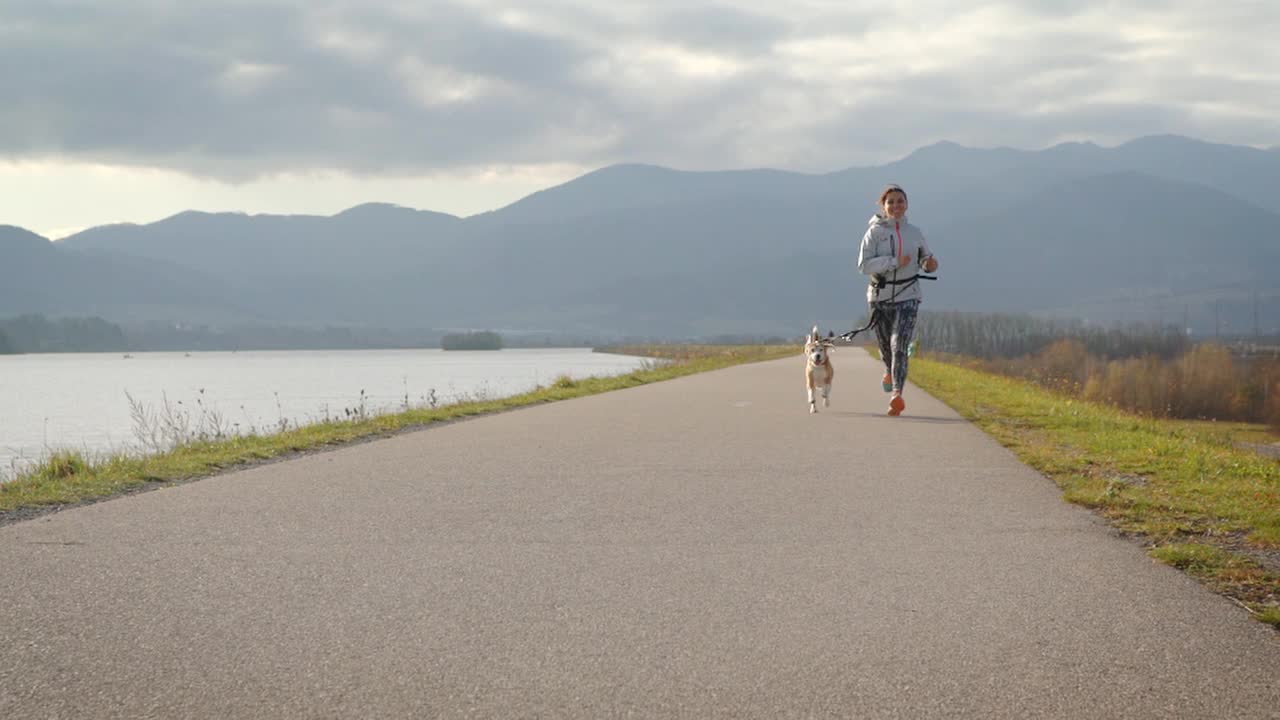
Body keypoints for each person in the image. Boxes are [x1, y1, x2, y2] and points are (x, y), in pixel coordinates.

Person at [857, 184, 938, 416]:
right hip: (880, 296)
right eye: (890, 202)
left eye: (900, 201)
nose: (895, 206)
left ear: (907, 204)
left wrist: (929, 265)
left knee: (899, 345)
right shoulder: (874, 233)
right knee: (885, 347)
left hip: (909, 294)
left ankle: (897, 394)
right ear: (883, 206)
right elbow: (863, 265)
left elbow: (925, 258)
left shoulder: (915, 232)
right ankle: (888, 370)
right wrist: (893, 262)